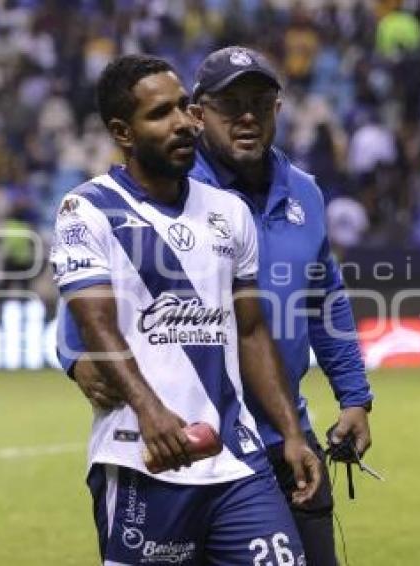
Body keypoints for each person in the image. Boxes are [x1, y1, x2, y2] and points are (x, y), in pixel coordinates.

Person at [70, 47, 375, 566]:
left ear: (279, 108)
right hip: (182, 439)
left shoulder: (304, 193)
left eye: (260, 101)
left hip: (280, 434)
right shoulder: (168, 187)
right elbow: (89, 308)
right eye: (230, 104)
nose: (248, 116)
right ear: (201, 112)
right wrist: (75, 359)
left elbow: (325, 300)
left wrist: (354, 396)